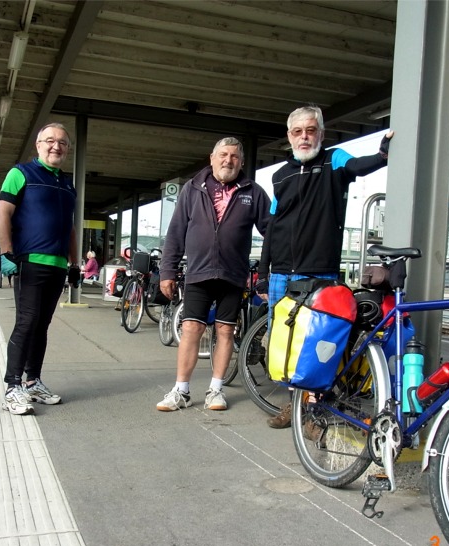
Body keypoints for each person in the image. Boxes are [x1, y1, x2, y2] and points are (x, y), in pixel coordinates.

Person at [256, 105, 393, 428]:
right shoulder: (280, 175)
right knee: (287, 342)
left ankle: (316, 409)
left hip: (320, 272)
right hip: (281, 273)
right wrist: (263, 274)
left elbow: (358, 166)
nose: (305, 137)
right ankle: (295, 404)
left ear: (321, 133)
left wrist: (382, 155)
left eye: (311, 130)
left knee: (319, 342)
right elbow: (272, 228)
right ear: (289, 136)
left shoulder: (335, 160)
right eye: (298, 132)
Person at [157, 137, 270, 412]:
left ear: (241, 162)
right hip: (199, 272)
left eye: (233, 156)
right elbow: (176, 232)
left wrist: (272, 269)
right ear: (212, 158)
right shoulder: (193, 188)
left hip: (233, 274)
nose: (228, 160)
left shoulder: (253, 192)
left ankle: (215, 390)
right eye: (223, 155)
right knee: (191, 328)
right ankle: (181, 390)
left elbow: (273, 232)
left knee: (225, 330)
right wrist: (167, 271)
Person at [0, 122, 79, 415]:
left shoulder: (67, 183)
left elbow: (69, 226)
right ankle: (11, 386)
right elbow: (3, 214)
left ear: (67, 150)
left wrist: (74, 262)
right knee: (27, 322)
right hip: (30, 262)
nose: (56, 146)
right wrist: (7, 254)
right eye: (50, 141)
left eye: (62, 143)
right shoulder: (20, 174)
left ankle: (32, 382)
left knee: (41, 326)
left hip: (57, 265)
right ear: (38, 145)